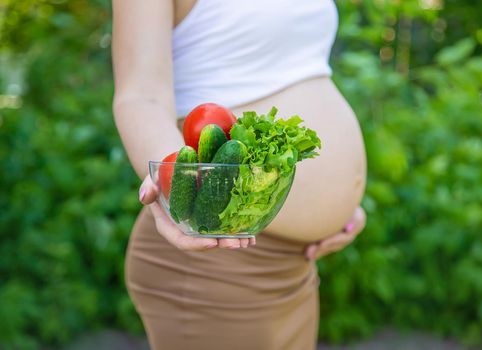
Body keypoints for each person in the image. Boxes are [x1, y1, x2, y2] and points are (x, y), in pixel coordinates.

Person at [111, 0, 367, 349]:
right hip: (216, 261)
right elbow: (141, 96)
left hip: (294, 265)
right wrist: (175, 190)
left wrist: (336, 204)